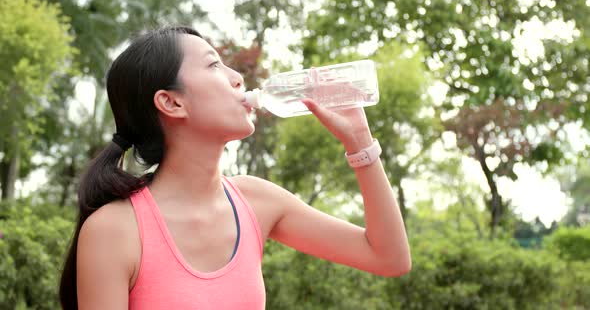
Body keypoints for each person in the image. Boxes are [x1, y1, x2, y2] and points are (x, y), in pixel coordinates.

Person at [58, 25, 411, 309]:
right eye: (213, 65)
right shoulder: (113, 231)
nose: (237, 77)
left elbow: (388, 258)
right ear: (171, 102)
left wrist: (360, 141)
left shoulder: (255, 201)